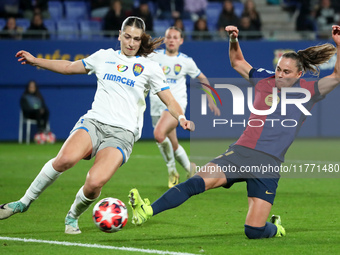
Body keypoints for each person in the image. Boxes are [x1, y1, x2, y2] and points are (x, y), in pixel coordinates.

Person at [128, 24, 340, 239]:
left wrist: (339, 45)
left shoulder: (308, 90)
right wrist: (233, 40)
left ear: (299, 74)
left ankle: (275, 228)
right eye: (278, 69)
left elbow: (337, 76)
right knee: (197, 182)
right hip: (241, 153)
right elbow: (237, 62)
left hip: (269, 164)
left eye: (286, 72)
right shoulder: (263, 79)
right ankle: (147, 210)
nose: (280, 75)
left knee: (254, 231)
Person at [0, 16, 194, 235]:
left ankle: (72, 216)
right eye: (127, 37)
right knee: (65, 159)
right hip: (94, 122)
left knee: (94, 184)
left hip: (122, 134)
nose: (131, 43)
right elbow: (68, 67)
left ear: (141, 41)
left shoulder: (150, 68)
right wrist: (37, 61)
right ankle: (23, 203)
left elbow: (169, 99)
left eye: (136, 39)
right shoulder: (104, 57)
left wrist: (181, 117)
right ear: (119, 35)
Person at [148, 26, 220, 188]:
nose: (172, 40)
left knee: (159, 134)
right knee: (172, 145)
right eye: (169, 37)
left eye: (175, 37)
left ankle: (172, 171)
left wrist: (210, 100)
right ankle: (190, 169)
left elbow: (202, 79)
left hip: (176, 105)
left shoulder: (186, 61)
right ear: (164, 40)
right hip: (155, 106)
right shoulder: (154, 57)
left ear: (181, 41)